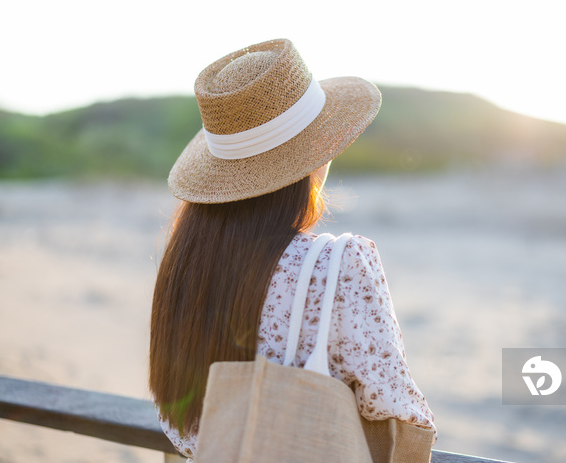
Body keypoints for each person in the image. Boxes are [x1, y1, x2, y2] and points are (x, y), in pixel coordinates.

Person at [149, 38, 436, 461]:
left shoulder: (186, 263)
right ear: (312, 157)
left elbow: (176, 418)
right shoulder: (339, 263)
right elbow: (396, 409)